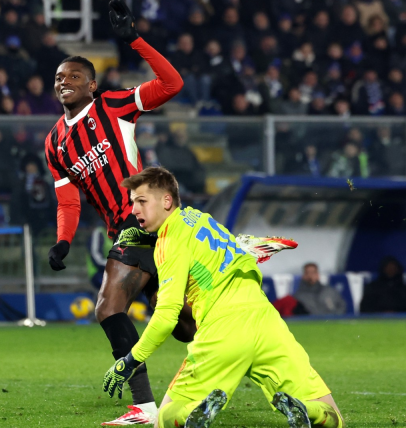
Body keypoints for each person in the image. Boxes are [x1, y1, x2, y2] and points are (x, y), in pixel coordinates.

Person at [103, 166, 344, 428]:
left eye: (141, 201)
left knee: (165, 418)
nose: (134, 210)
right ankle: (309, 411)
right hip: (267, 323)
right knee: (333, 416)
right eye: (132, 203)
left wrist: (131, 360)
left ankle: (192, 413)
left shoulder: (169, 240)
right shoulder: (202, 218)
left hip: (223, 329)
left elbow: (167, 313)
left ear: (166, 201)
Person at [44, 1, 188, 425]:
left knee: (108, 308)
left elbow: (172, 83)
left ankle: (144, 406)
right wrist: (63, 240)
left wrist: (134, 39)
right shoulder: (55, 143)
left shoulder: (114, 106)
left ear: (91, 85)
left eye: (74, 76)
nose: (64, 81)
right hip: (125, 229)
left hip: (143, 220)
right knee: (183, 324)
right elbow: (68, 201)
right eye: (59, 77)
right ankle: (250, 369)